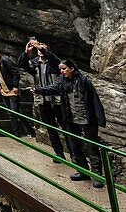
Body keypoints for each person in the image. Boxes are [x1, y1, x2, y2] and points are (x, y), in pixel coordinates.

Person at [28, 59, 108, 188]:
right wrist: (37, 90)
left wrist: (100, 118)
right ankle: (82, 171)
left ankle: (97, 175)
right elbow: (52, 88)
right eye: (61, 69)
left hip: (87, 119)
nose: (62, 71)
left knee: (92, 147)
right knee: (74, 146)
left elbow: (94, 100)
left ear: (72, 68)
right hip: (71, 119)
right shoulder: (62, 82)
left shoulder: (84, 81)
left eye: (64, 69)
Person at [17, 38, 66, 161]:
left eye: (41, 49)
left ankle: (74, 154)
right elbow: (21, 64)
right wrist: (26, 52)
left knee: (65, 127)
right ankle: (59, 154)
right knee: (51, 127)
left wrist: (39, 47)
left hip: (57, 100)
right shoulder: (35, 64)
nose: (39, 51)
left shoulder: (55, 64)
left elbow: (54, 58)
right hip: (43, 100)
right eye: (38, 49)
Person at [0, 45, 34, 137]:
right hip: (4, 91)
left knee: (14, 112)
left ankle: (27, 131)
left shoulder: (5, 61)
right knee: (11, 113)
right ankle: (17, 132)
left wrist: (15, 86)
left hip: (12, 90)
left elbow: (15, 73)